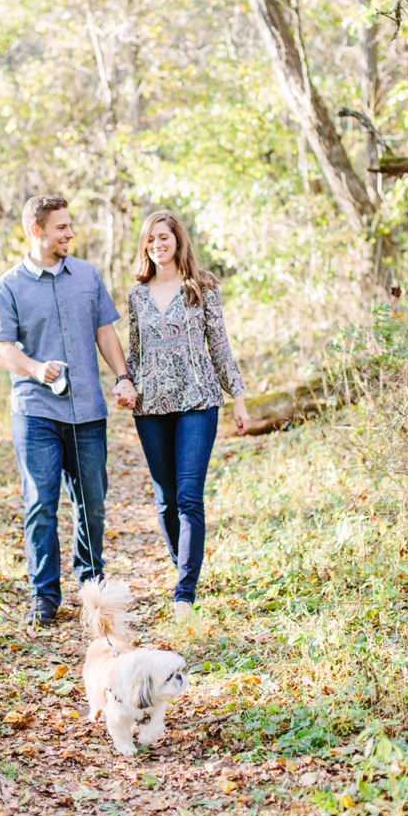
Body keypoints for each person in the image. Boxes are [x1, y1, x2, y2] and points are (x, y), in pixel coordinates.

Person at [0, 195, 137, 626]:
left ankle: (92, 585)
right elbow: (2, 348)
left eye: (70, 227)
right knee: (40, 503)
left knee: (91, 503)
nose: (70, 233)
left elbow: (105, 334)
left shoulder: (87, 277)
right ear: (37, 231)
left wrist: (122, 376)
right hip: (36, 412)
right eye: (61, 228)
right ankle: (44, 596)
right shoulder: (8, 286)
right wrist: (36, 368)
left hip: (87, 409)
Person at [125, 210, 250, 619]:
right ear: (145, 246)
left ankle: (184, 594)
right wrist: (123, 383)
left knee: (188, 497)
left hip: (198, 401)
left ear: (178, 240)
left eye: (164, 237)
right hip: (152, 407)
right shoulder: (137, 294)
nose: (157, 245)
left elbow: (220, 346)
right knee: (165, 501)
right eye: (150, 240)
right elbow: (135, 352)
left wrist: (239, 398)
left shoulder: (202, 287)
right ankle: (184, 565)